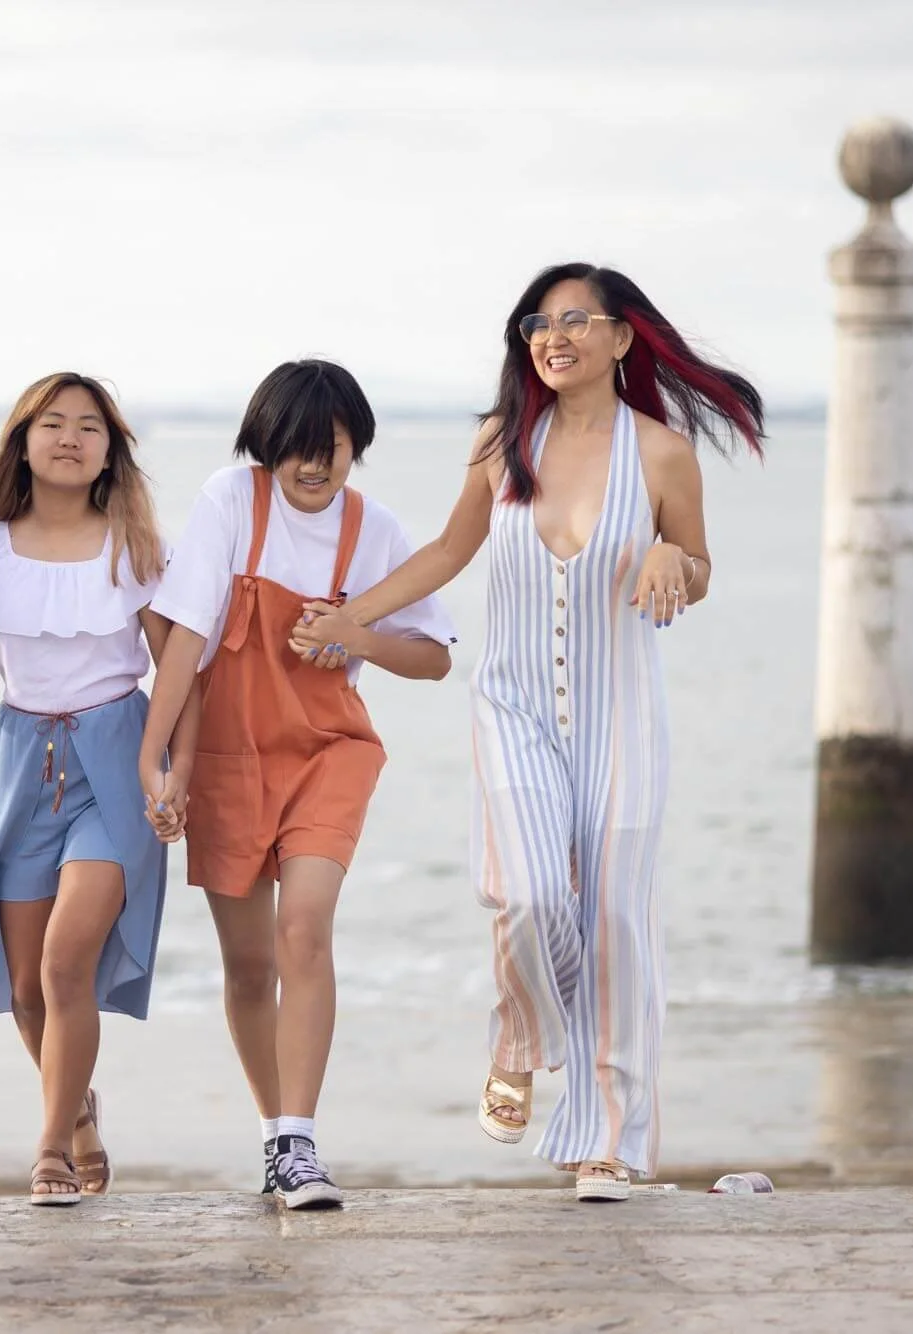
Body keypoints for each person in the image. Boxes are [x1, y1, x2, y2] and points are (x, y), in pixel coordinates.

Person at [296, 263, 764, 1201]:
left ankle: (609, 1144)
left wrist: (673, 558)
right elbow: (449, 549)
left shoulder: (662, 454)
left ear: (622, 338)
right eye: (538, 324)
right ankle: (519, 1035)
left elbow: (700, 565)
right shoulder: (502, 440)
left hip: (623, 721)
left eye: (576, 320)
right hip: (512, 707)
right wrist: (355, 618)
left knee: (617, 923)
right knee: (532, 894)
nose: (553, 337)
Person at [138, 360, 455, 1210]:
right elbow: (187, 636)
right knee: (249, 966)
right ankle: (276, 1138)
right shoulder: (230, 502)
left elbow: (433, 657)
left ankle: (300, 1143)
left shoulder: (375, 528)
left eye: (333, 447)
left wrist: (358, 634)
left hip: (328, 751)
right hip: (228, 755)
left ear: (356, 446)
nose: (314, 465)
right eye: (296, 448)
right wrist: (156, 756)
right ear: (266, 445)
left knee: (304, 929)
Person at [0, 373, 190, 1206]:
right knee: (27, 988)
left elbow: (181, 671)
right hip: (24, 762)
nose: (70, 437)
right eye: (53, 423)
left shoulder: (137, 546)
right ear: (23, 442)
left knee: (66, 964)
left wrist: (173, 770)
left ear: (110, 450)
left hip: (119, 758)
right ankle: (80, 1112)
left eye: (89, 426)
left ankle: (51, 1148)